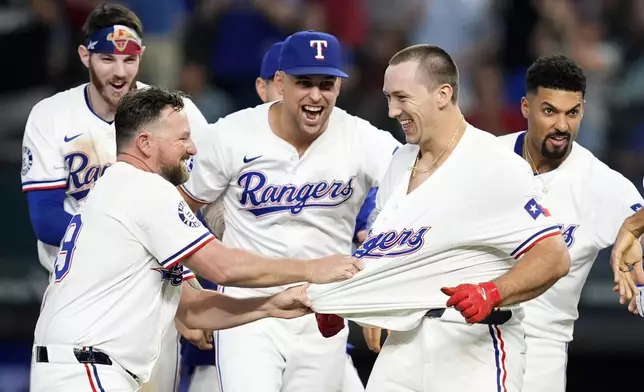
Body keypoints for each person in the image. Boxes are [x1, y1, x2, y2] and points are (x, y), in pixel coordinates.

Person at [29, 86, 363, 392]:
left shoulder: (119, 189)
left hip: (78, 366)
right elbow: (221, 266)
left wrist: (269, 305)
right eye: (183, 138)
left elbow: (191, 309)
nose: (193, 148)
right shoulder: (144, 188)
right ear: (145, 143)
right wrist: (311, 269)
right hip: (86, 368)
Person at [307, 44, 571, 392]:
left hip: (471, 345)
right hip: (402, 343)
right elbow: (388, 251)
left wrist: (492, 291)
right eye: (388, 97)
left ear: (443, 94)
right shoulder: (399, 162)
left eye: (402, 97)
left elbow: (554, 256)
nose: (392, 110)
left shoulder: (493, 162)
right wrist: (351, 299)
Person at [179, 30, 400, 392]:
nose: (316, 95)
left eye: (326, 84)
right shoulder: (231, 135)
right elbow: (176, 211)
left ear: (339, 87)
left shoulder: (360, 137)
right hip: (248, 312)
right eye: (304, 83)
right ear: (280, 83)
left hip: (323, 313)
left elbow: (415, 188)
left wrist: (381, 286)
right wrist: (185, 289)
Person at [19, 4, 211, 392]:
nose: (120, 72)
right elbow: (44, 217)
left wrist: (189, 282)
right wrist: (130, 239)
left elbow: (199, 197)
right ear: (85, 55)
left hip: (157, 292)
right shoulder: (52, 115)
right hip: (80, 294)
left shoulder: (174, 111)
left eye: (130, 58)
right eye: (107, 58)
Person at [492, 55, 644, 392]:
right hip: (468, 336)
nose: (562, 125)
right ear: (525, 107)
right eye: (550, 111)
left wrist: (638, 253)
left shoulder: (604, 185)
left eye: (571, 113)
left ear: (583, 111)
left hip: (540, 349)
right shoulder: (485, 159)